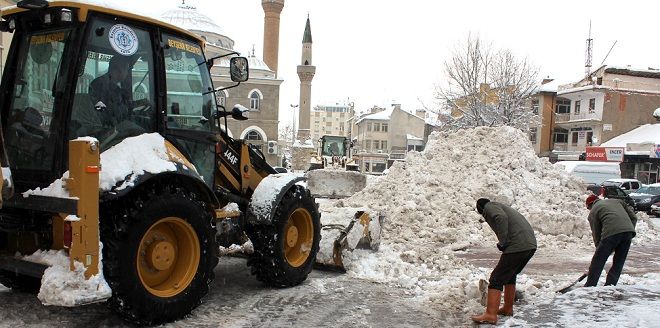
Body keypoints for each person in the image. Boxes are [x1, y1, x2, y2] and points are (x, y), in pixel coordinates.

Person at [472, 198, 537, 325]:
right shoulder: (502, 206)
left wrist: (503, 242)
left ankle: (490, 314)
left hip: (518, 246)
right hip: (529, 245)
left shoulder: (490, 207)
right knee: (510, 275)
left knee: (496, 278)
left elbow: (500, 217)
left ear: (481, 208)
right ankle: (508, 308)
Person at [583, 194, 637, 287]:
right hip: (628, 232)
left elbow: (596, 232)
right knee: (619, 261)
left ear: (590, 205)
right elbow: (634, 217)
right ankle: (610, 285)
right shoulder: (616, 201)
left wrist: (599, 248)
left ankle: (590, 285)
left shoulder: (594, 211)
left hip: (611, 234)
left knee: (598, 261)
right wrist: (627, 230)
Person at [88, 55, 134, 126]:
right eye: (127, 69)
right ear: (118, 69)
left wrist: (138, 103)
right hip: (106, 130)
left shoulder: (116, 87)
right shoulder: (99, 85)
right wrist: (114, 121)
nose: (127, 73)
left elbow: (124, 105)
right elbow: (100, 111)